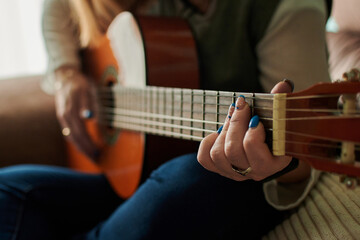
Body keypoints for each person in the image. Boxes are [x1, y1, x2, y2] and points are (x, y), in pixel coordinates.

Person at [0, 0, 332, 239]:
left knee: (190, 177)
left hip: (218, 180)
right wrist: (67, 74)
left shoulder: (287, 8)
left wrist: (285, 166)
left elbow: (310, 152)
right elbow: (57, 7)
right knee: (7, 188)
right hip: (128, 170)